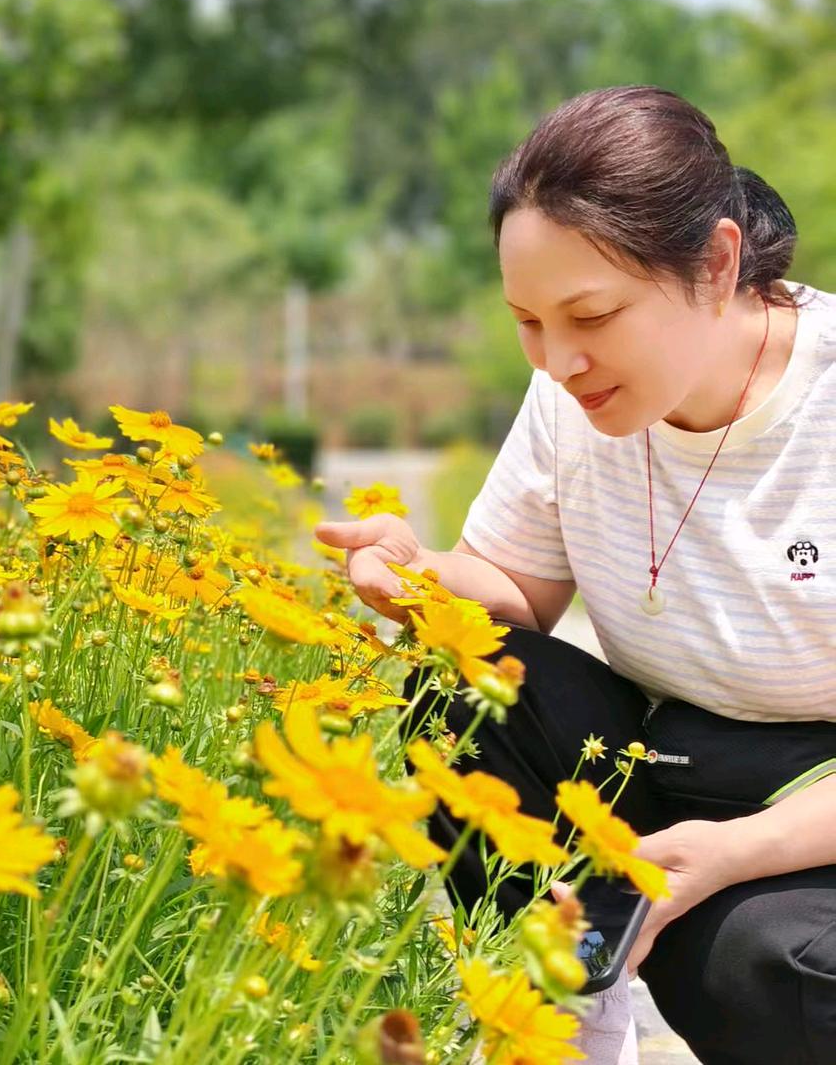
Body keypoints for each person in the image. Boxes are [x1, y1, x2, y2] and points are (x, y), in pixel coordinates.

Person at [315, 85, 836, 1065]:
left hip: (814, 820)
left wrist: (731, 856)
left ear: (716, 263)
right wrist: (419, 577)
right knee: (469, 683)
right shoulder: (570, 397)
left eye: (592, 316)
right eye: (528, 322)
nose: (559, 361)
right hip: (661, 767)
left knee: (775, 965)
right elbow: (514, 593)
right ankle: (563, 1015)